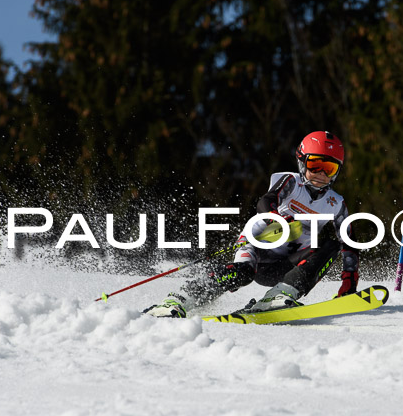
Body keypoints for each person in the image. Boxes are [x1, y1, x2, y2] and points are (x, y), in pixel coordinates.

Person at [144, 131, 360, 317]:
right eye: (316, 165)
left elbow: (348, 242)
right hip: (258, 248)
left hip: (287, 265)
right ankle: (178, 300)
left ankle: (281, 294)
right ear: (302, 162)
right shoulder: (291, 182)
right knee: (241, 273)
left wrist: (349, 280)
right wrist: (279, 219)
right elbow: (266, 201)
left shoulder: (336, 203)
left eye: (329, 169)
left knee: (330, 246)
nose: (321, 174)